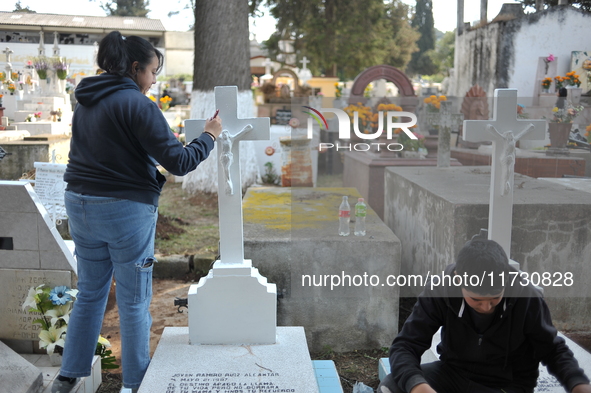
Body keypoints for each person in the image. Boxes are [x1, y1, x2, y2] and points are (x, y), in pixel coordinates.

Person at [52, 31, 222, 393]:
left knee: (90, 293)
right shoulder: (138, 104)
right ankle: (135, 383)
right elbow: (179, 161)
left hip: (79, 204)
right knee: (133, 300)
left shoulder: (85, 101)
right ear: (134, 68)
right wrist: (208, 136)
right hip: (124, 211)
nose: (155, 80)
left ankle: (68, 377)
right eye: (153, 71)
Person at [378, 239, 591, 393]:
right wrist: (418, 385)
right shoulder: (440, 290)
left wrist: (577, 382)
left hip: (507, 384)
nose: (486, 307)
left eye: (495, 299)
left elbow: (553, 349)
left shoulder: (527, 296)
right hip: (454, 373)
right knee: (391, 386)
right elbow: (405, 345)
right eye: (476, 300)